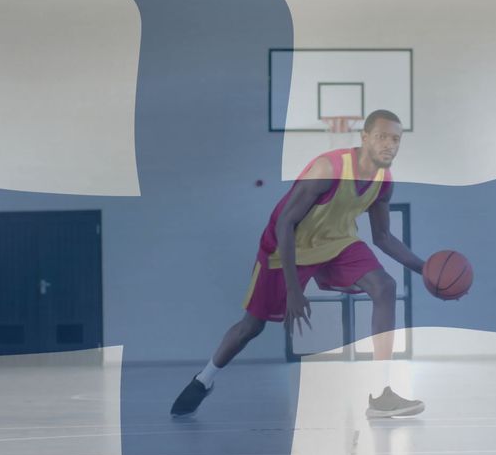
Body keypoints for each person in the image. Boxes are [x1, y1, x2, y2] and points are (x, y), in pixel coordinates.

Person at [170, 110, 426, 418]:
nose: (389, 144)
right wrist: (294, 289)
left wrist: (426, 271)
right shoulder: (327, 168)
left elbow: (383, 237)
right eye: (382, 137)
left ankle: (381, 394)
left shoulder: (384, 182)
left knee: (385, 287)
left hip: (337, 242)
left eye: (395, 139)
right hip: (286, 246)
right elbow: (285, 224)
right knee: (251, 327)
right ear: (365, 138)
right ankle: (204, 379)